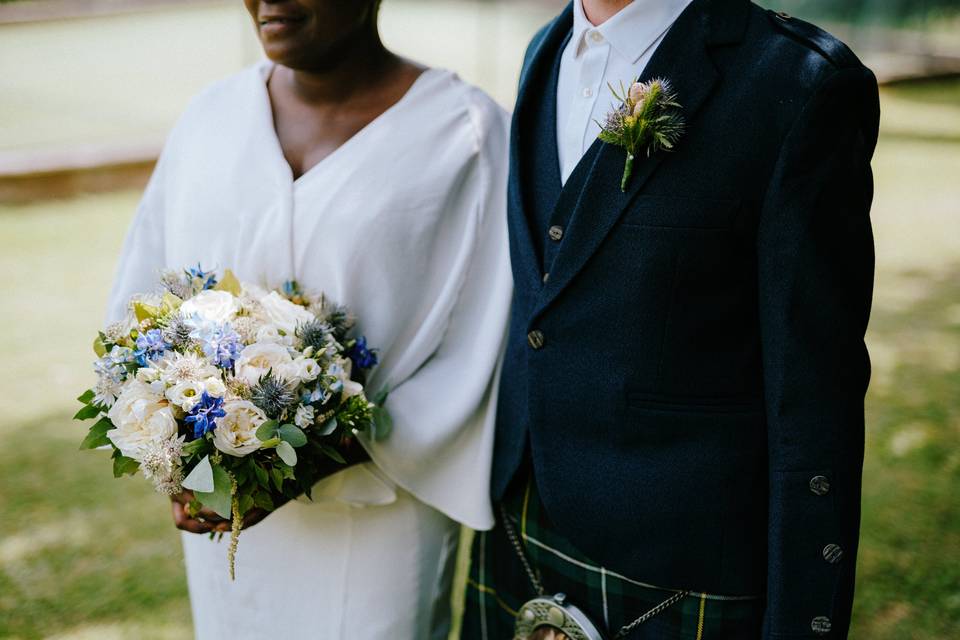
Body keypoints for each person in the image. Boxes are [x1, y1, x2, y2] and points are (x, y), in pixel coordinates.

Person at [464, 0, 879, 638]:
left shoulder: (799, 83)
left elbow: (815, 397)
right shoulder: (544, 51)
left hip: (685, 560)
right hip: (523, 512)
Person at [106, 1, 512, 637]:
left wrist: (321, 452)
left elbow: (487, 340)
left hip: (380, 515)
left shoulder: (466, 134)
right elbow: (143, 299)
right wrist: (173, 438)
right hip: (227, 510)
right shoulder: (209, 120)